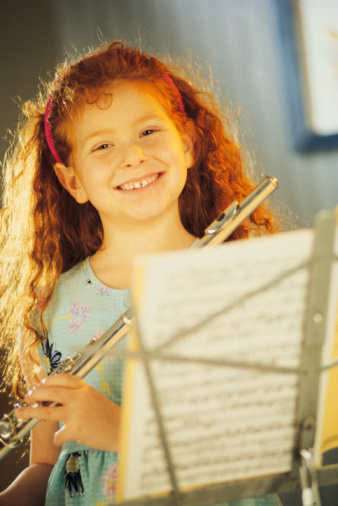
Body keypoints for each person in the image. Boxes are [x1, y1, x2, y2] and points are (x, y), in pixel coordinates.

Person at [0, 41, 281, 505]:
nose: (132, 156)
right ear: (73, 181)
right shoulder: (55, 304)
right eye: (104, 145)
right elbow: (46, 464)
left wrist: (120, 431)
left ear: (187, 144)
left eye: (149, 132)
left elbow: (259, 455)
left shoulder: (239, 281)